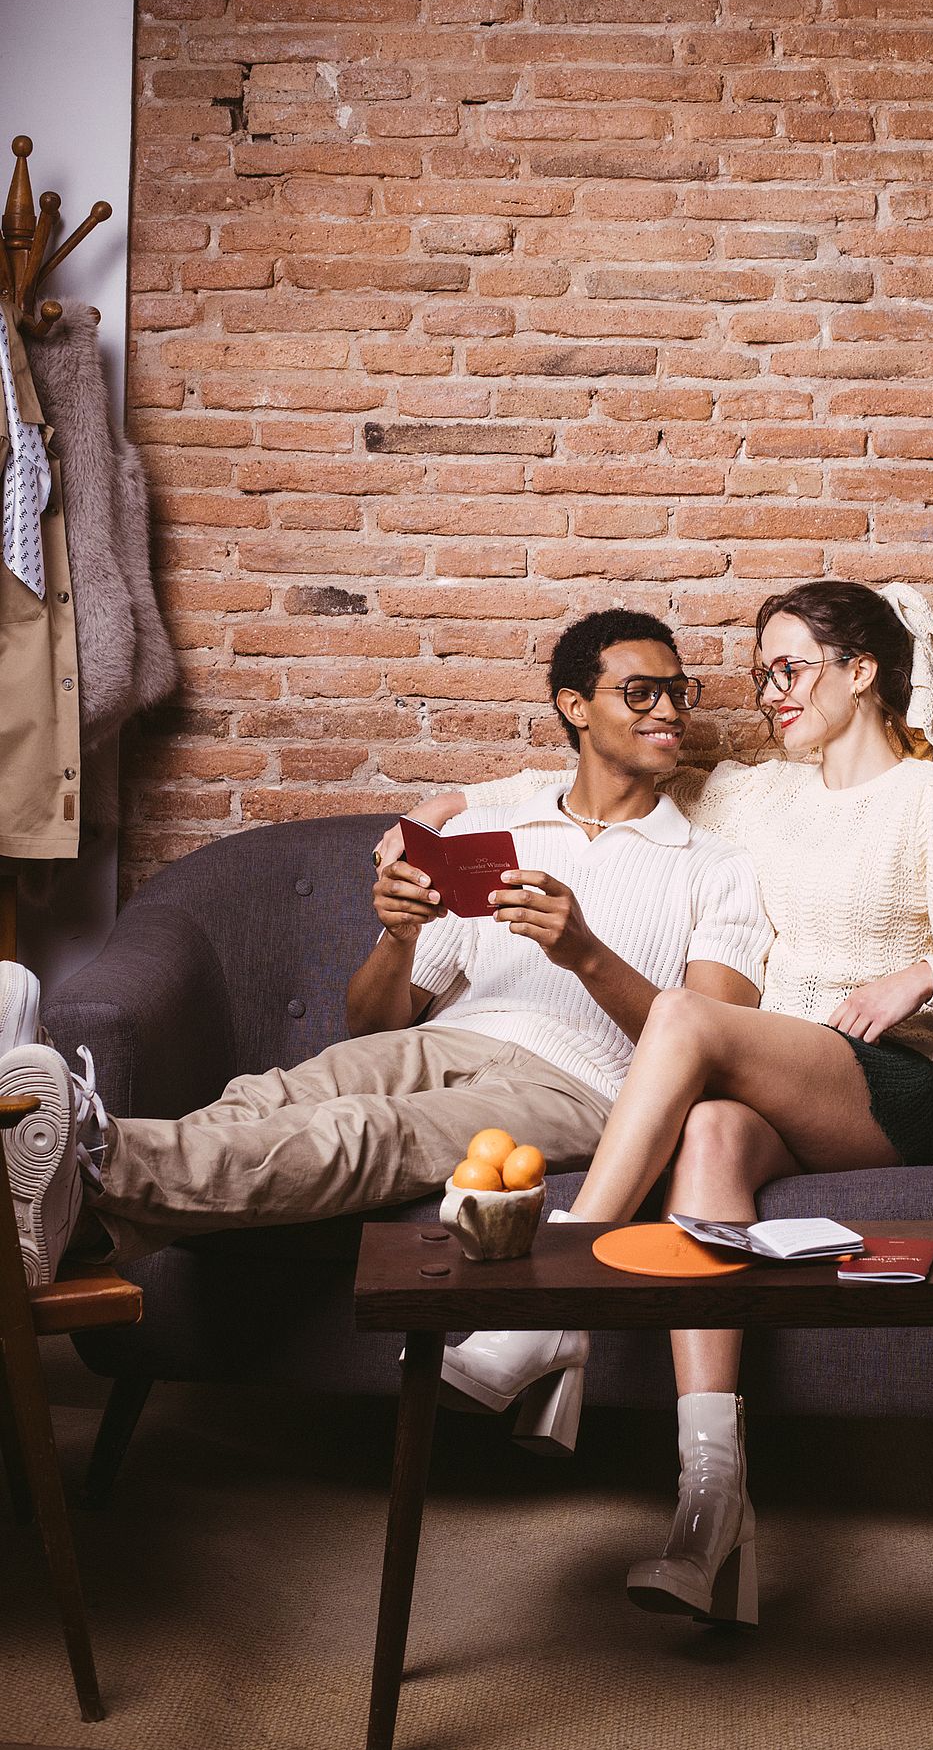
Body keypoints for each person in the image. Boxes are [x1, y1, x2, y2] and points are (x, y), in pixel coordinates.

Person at [383, 579, 933, 1625]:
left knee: (684, 1016)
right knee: (710, 1131)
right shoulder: (752, 795)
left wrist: (928, 977)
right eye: (763, 674)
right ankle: (711, 1506)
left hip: (881, 1083)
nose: (771, 694)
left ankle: (556, 1303)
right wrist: (437, 812)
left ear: (863, 672)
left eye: (791, 669)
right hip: (768, 1086)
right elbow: (573, 772)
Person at [0, 609, 772, 1432]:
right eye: (642, 692)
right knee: (269, 1093)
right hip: (443, 1036)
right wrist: (398, 936)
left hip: (581, 1084)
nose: (670, 711)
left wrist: (584, 952)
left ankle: (87, 1155)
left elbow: (710, 1040)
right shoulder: (492, 835)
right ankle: (71, 1207)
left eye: (678, 692)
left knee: (369, 1131)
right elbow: (372, 1024)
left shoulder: (716, 866)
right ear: (575, 707)